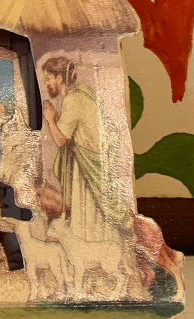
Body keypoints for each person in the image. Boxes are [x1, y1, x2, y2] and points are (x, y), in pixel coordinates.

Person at [41, 56, 131, 242]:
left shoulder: (74, 99)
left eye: (48, 78)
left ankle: (100, 240)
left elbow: (61, 140)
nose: (46, 83)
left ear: (60, 78)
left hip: (91, 161)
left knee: (96, 209)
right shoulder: (80, 92)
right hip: (88, 157)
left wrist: (50, 120)